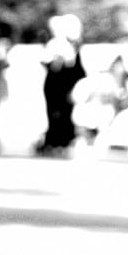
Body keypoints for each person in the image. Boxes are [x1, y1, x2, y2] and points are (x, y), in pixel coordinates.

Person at [39, 14, 86, 155]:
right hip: (54, 84)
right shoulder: (54, 44)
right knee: (53, 113)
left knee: (63, 113)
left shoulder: (70, 47)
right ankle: (54, 141)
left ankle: (62, 141)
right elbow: (46, 61)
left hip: (63, 85)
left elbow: (73, 67)